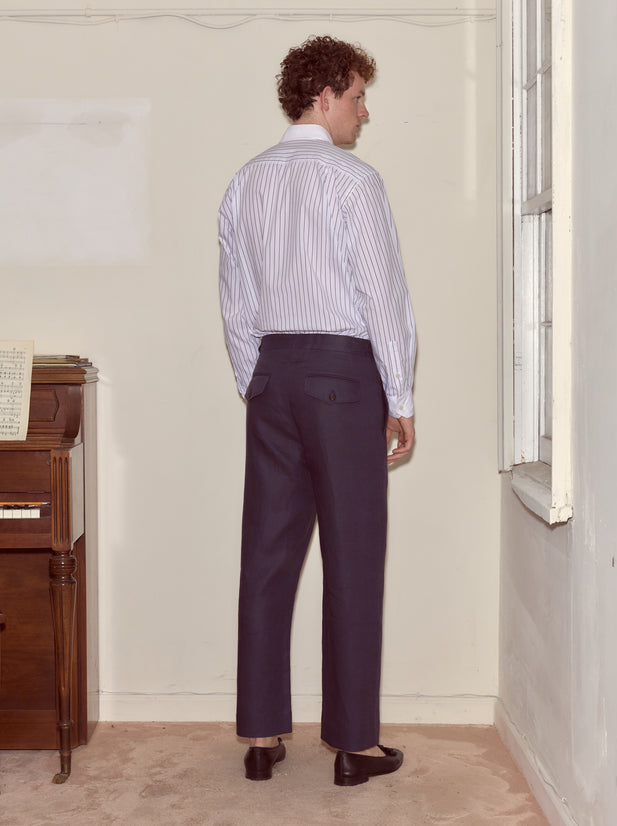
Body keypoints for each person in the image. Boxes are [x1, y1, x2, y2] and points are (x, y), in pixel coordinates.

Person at [218, 34, 416, 786]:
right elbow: (382, 296)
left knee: (266, 558)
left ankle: (261, 736)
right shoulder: (352, 181)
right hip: (344, 378)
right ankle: (354, 746)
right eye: (359, 97)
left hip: (273, 375)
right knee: (353, 557)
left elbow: (235, 301)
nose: (365, 113)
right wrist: (400, 395)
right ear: (325, 95)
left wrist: (260, 380)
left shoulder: (245, 182)